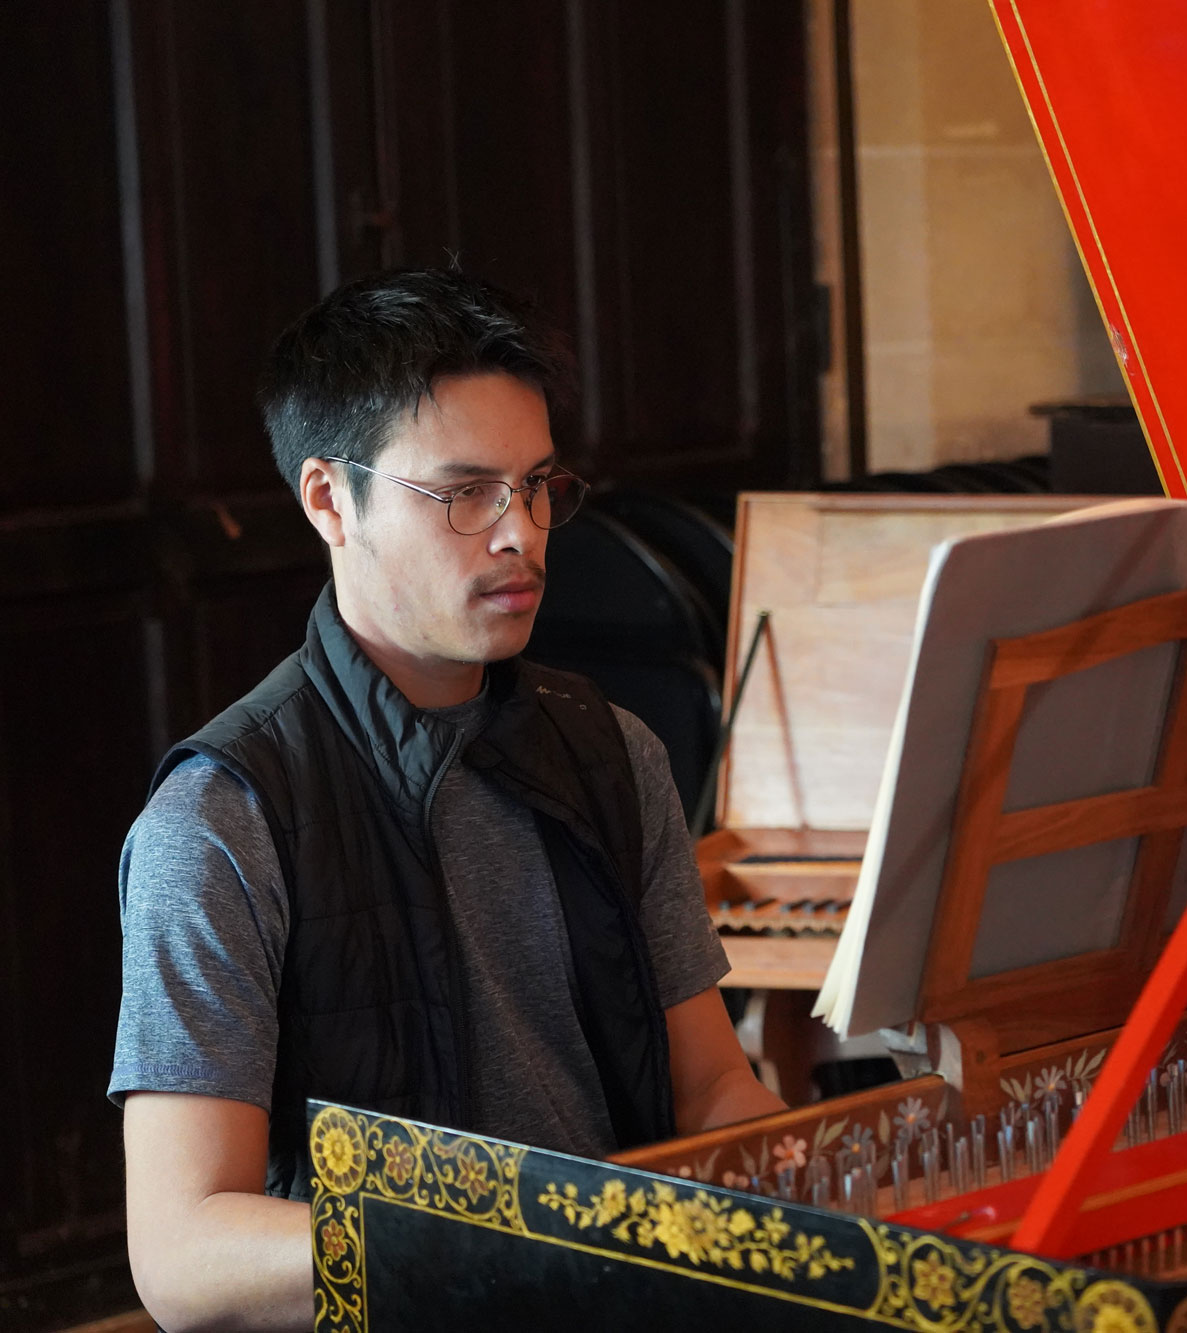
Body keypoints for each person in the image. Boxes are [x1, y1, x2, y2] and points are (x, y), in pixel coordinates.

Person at [109, 267, 782, 1331]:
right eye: (464, 492)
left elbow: (711, 1090)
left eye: (538, 486)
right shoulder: (222, 818)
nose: (521, 534)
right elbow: (184, 1253)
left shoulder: (615, 752)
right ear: (331, 498)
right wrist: (515, 1239)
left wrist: (786, 1177)